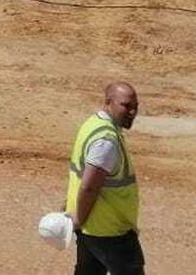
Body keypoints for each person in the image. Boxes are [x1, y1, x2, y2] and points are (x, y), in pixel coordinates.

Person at [66, 82, 143, 274]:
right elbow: (89, 187)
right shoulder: (105, 141)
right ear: (108, 102)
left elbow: (79, 174)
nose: (132, 111)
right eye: (126, 105)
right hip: (110, 231)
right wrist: (79, 219)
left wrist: (77, 218)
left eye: (135, 105)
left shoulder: (92, 124)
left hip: (91, 226)